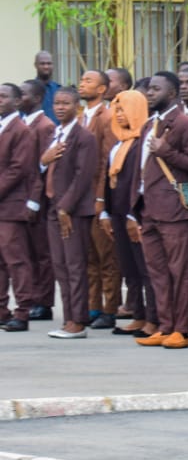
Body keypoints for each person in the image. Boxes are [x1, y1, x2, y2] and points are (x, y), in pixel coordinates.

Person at [129, 71, 188, 350]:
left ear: (172, 94)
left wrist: (166, 152)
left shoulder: (185, 124)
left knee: (180, 271)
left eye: (155, 89)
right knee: (157, 272)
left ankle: (181, 330)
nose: (149, 93)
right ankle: (165, 325)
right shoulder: (150, 123)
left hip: (175, 209)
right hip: (148, 208)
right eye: (149, 89)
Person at [41, 86, 98, 339]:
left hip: (72, 211)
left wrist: (66, 207)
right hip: (53, 207)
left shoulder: (84, 137)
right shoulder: (54, 134)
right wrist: (44, 159)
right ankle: (68, 319)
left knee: (75, 265)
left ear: (77, 106)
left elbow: (83, 176)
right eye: (57, 103)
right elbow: (41, 168)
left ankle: (79, 321)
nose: (60, 107)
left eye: (66, 103)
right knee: (60, 265)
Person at [101, 90, 156, 338]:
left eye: (124, 109)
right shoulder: (119, 142)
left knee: (146, 270)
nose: (118, 114)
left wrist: (135, 216)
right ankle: (138, 314)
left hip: (136, 216)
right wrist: (105, 211)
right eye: (117, 109)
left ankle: (154, 319)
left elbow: (142, 183)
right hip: (118, 214)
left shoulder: (143, 142)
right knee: (129, 268)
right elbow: (108, 180)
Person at [78, 70, 120, 329]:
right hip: (80, 198)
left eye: (88, 81)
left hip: (97, 195)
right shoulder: (80, 117)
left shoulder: (107, 117)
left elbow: (108, 160)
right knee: (89, 257)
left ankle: (110, 308)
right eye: (82, 81)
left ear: (103, 89)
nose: (82, 85)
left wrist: (101, 198)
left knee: (107, 257)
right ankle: (93, 306)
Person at [0, 83, 37, 332]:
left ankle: (22, 311)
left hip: (11, 207)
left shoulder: (21, 130)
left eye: (3, 96)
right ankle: (2, 310)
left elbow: (18, 169)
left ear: (16, 101)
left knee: (17, 261)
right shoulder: (3, 127)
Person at [19, 79, 56, 321]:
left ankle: (43, 302)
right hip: (19, 197)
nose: (18, 98)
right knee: (28, 252)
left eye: (22, 94)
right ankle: (32, 297)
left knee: (42, 253)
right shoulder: (24, 123)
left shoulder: (44, 126)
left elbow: (43, 167)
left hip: (38, 199)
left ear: (36, 98)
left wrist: (34, 199)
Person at [33, 51, 59, 119]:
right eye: (42, 64)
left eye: (49, 63)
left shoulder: (59, 89)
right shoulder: (29, 90)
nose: (46, 67)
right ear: (35, 65)